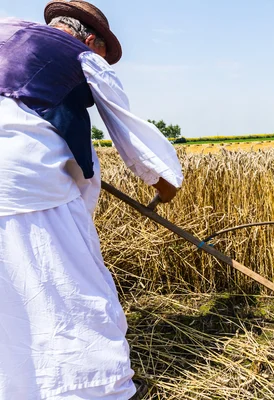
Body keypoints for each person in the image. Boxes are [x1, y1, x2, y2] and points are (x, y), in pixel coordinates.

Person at [0, 1, 183, 398]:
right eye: (105, 53)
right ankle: (92, 390)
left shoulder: (4, 32)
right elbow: (129, 130)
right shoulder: (80, 55)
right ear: (91, 39)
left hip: (18, 181)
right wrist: (164, 184)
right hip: (28, 184)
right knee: (69, 292)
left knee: (8, 296)